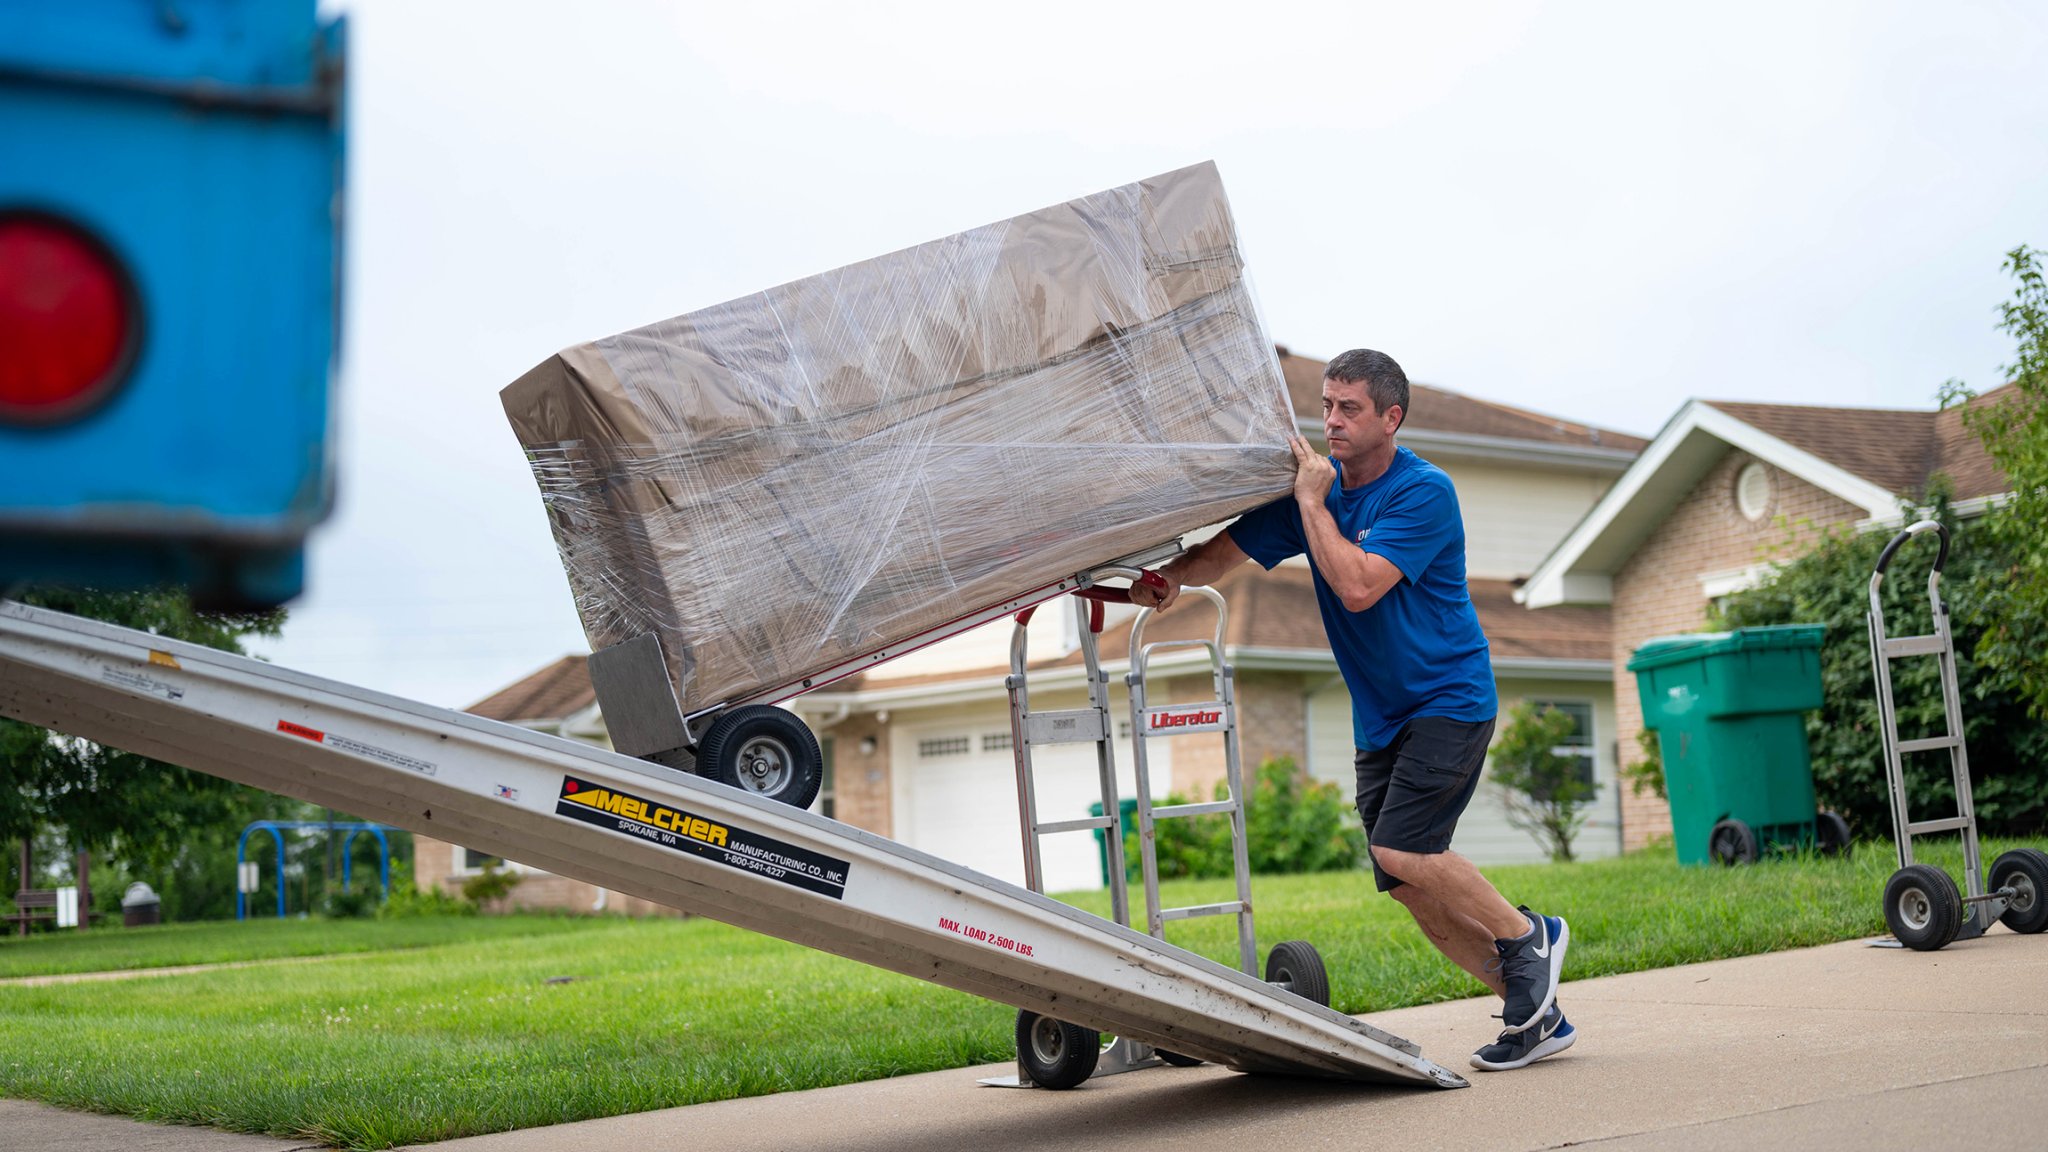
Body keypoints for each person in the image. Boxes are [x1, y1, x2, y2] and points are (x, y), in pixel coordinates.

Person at [1129, 348, 1574, 1071]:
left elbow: (1359, 587)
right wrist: (1173, 580)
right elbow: (1227, 551)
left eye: (1350, 409)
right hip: (1383, 716)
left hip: (1449, 698)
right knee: (1402, 881)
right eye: (1327, 405)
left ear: (1391, 418)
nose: (1331, 421)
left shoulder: (1422, 492)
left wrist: (1311, 502)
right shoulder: (1316, 491)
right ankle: (1534, 1011)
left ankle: (1530, 937)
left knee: (1405, 848)